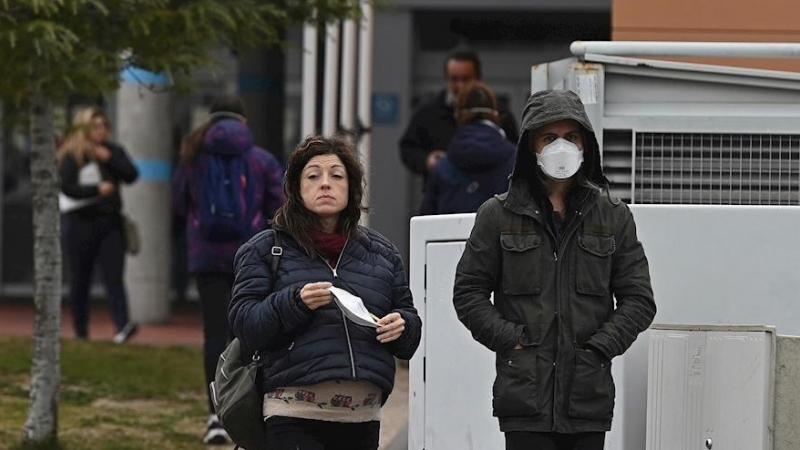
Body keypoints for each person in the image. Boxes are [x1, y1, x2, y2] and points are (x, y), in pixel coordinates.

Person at [452, 90, 656, 450]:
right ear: (531, 145)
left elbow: (639, 299)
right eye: (549, 137)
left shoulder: (613, 215)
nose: (561, 146)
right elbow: (468, 293)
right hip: (523, 396)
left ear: (585, 145)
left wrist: (600, 348)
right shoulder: (497, 215)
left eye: (571, 137)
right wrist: (510, 340)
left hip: (587, 397)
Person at [229, 134, 422, 450]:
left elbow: (410, 334)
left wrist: (402, 325)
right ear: (296, 188)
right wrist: (295, 302)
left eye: (336, 175)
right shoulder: (266, 249)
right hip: (292, 414)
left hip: (363, 418)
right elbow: (245, 325)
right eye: (313, 176)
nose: (325, 184)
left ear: (351, 187)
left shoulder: (382, 253)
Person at [171, 95, 286, 445]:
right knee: (249, 334)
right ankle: (247, 409)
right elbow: (279, 206)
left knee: (213, 334)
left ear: (211, 120)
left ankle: (214, 416)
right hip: (251, 258)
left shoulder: (192, 156)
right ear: (244, 121)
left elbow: (177, 203)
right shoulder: (261, 159)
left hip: (206, 257)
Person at [58, 106, 139, 343]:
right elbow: (67, 187)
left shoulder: (113, 151)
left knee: (114, 275)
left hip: (109, 222)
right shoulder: (73, 154)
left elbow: (132, 175)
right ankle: (81, 329)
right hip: (80, 222)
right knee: (80, 278)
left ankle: (122, 325)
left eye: (105, 125)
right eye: (95, 126)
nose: (101, 131)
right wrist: (95, 190)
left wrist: (111, 159)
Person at [399, 46, 518, 178]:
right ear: (446, 79)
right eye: (454, 79)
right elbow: (408, 148)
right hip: (443, 193)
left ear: (478, 79)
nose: (460, 86)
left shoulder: (500, 114)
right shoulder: (427, 113)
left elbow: (515, 152)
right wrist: (427, 160)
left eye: (466, 79)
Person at [419, 81, 516, 215]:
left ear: (457, 114)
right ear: (495, 113)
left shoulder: (442, 167)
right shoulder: (517, 161)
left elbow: (426, 220)